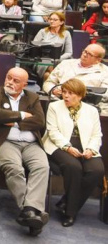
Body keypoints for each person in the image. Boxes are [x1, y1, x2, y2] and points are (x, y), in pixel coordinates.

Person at [0, 68, 49, 235]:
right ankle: (33, 213)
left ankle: (29, 211)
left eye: (15, 80)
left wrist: (14, 121)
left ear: (25, 85)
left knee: (42, 167)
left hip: (31, 144)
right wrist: (22, 115)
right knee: (14, 169)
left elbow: (40, 121)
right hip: (5, 142)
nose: (10, 82)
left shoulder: (32, 97)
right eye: (8, 78)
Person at [41, 78, 105, 227]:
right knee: (74, 167)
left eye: (71, 93)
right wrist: (67, 147)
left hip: (85, 146)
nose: (66, 96)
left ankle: (67, 201)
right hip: (58, 145)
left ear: (80, 95)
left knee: (97, 170)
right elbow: (53, 131)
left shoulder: (92, 111)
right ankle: (70, 213)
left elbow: (97, 134)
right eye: (64, 92)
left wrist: (91, 149)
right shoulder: (54, 107)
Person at [43, 43, 108, 113]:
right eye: (85, 51)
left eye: (90, 54)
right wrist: (53, 90)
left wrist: (80, 94)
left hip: (87, 107)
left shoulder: (105, 71)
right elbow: (48, 82)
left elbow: (105, 94)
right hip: (60, 102)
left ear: (98, 60)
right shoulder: (65, 64)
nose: (85, 55)